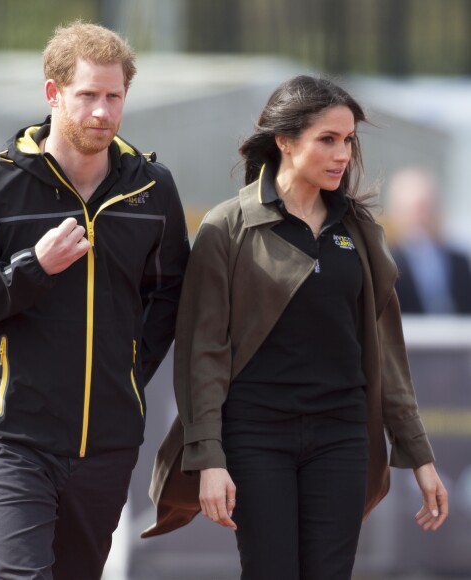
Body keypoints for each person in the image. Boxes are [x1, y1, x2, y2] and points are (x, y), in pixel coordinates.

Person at [141, 75, 448, 579]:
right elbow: (203, 354)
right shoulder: (226, 228)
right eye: (327, 139)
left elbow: (387, 353)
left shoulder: (361, 231)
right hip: (256, 436)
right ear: (284, 141)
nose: (342, 153)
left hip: (343, 435)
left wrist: (418, 453)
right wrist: (208, 456)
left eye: (348, 140)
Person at [0, 21, 189, 580]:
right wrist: (31, 269)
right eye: (87, 95)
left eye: (113, 97)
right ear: (54, 93)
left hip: (108, 440)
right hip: (12, 436)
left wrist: (129, 374)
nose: (101, 112)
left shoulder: (151, 190)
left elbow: (167, 297)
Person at [385, 166, 471, 314]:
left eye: (425, 208)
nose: (420, 218)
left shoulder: (458, 260)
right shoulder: (386, 262)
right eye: (413, 209)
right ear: (397, 212)